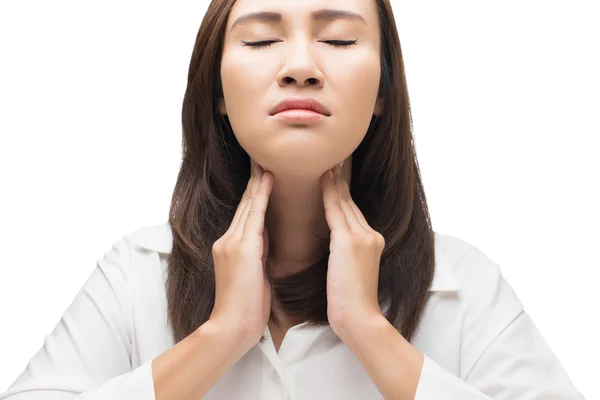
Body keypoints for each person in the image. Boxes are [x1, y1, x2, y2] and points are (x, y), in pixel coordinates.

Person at [0, 0, 586, 399]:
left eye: (337, 38)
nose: (301, 67)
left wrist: (371, 334)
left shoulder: (465, 288)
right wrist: (219, 337)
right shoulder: (135, 275)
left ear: (383, 89)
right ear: (218, 90)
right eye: (260, 38)